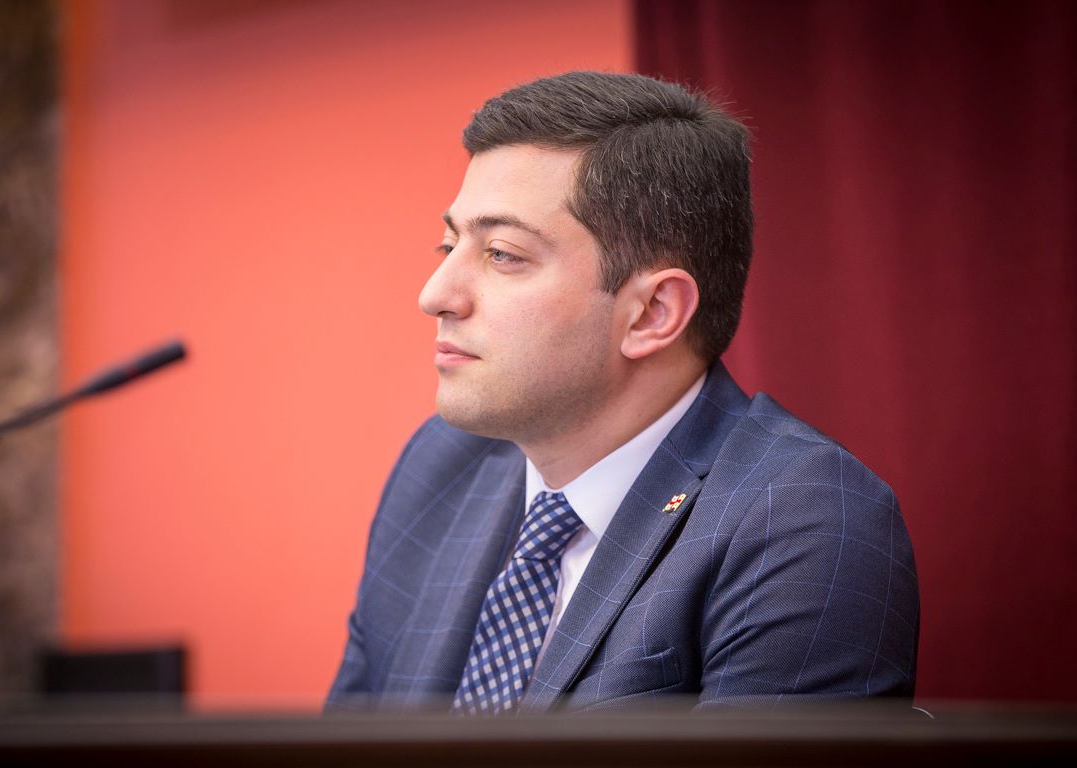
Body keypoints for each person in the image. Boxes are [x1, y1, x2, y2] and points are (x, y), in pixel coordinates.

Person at [327, 71, 918, 713]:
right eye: (448, 244)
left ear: (652, 313)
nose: (435, 294)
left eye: (502, 254)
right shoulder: (440, 465)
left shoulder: (804, 522)